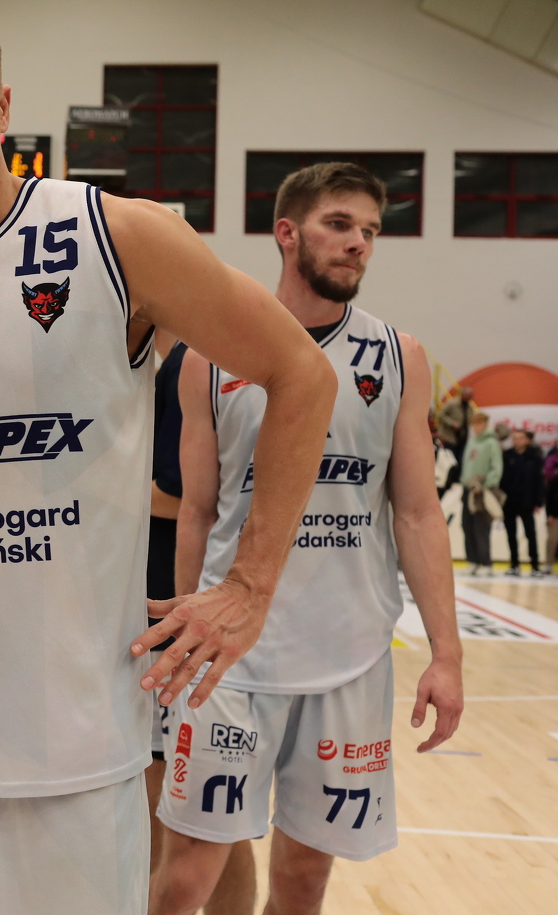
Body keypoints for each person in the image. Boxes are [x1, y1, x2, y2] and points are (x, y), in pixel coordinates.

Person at [0, 0, 336, 915]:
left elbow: (302, 374)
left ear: (3, 102)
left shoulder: (118, 235)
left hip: (72, 757)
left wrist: (250, 586)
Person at [152, 162, 464, 915]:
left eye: (370, 231)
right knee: (186, 872)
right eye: (339, 224)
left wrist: (447, 655)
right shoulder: (208, 357)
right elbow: (197, 509)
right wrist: (185, 622)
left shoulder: (399, 357)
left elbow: (418, 513)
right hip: (229, 653)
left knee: (302, 880)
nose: (358, 243)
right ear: (287, 233)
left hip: (347, 655)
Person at [145, 334, 255, 913]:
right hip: (187, 606)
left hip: (174, 607)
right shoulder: (178, 362)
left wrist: (93, 501)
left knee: (172, 814)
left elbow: (183, 496)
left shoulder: (191, 362)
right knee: (216, 822)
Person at [460, 411, 502, 576]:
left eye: (479, 424)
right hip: (468, 489)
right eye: (474, 424)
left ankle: (486, 562)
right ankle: (473, 561)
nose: (476, 427)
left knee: (481, 527)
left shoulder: (492, 443)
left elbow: (496, 468)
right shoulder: (471, 442)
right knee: (467, 525)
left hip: (482, 491)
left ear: (485, 424)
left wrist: (485, 485)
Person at [501, 429, 545, 577]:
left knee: (530, 534)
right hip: (509, 502)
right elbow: (502, 480)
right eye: (515, 438)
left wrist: (538, 501)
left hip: (527, 502)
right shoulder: (506, 456)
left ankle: (535, 565)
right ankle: (514, 564)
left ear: (527, 440)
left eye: (520, 438)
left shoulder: (534, 458)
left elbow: (539, 481)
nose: (517, 441)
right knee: (511, 534)